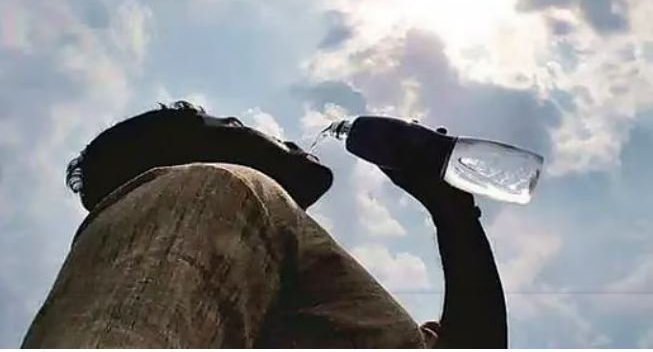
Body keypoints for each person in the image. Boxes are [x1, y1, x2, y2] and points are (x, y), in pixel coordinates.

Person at [22, 101, 507, 348]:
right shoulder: (208, 185)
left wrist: (452, 212)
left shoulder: (303, 281)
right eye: (232, 124)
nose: (279, 138)